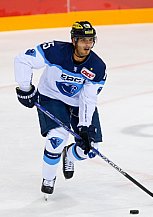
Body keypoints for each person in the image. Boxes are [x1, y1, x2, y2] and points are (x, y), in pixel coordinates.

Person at [14, 21, 107, 195]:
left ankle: (69, 155)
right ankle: (48, 179)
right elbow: (22, 60)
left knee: (90, 149)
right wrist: (25, 89)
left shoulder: (97, 67)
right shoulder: (55, 50)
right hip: (51, 97)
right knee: (56, 138)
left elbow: (88, 98)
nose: (87, 45)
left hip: (78, 104)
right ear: (74, 40)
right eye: (83, 40)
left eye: (90, 40)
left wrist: (85, 126)